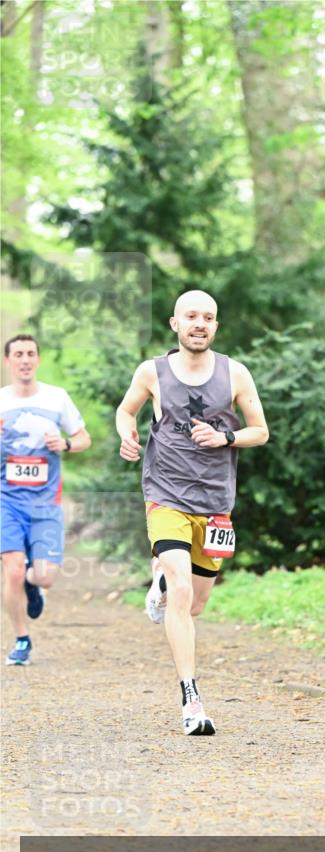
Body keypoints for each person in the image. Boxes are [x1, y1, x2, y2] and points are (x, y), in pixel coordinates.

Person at [116, 289, 269, 736]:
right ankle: (191, 699)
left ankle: (161, 578)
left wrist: (226, 439)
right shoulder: (153, 371)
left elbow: (260, 431)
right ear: (175, 324)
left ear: (216, 326)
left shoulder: (235, 373)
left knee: (195, 603)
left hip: (215, 504)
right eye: (191, 316)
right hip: (166, 495)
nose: (199, 323)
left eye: (208, 317)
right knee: (183, 591)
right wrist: (127, 435)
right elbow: (126, 412)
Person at [1, 334, 92, 664]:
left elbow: (84, 438)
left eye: (30, 354)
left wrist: (66, 444)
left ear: (37, 360)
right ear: (8, 362)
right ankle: (22, 639)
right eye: (18, 355)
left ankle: (33, 584)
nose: (25, 360)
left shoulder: (57, 398)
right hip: (6, 502)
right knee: (10, 570)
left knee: (44, 576)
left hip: (45, 503)